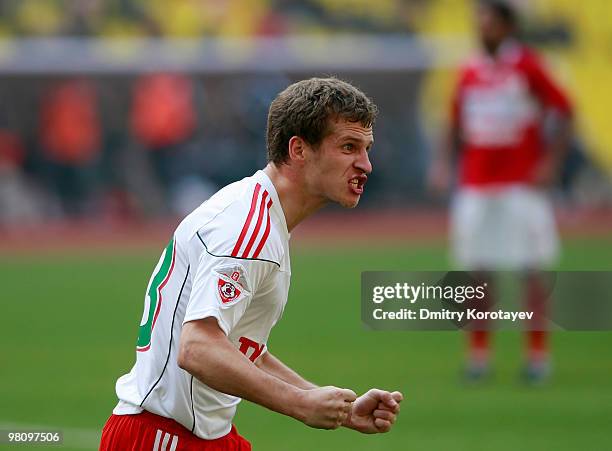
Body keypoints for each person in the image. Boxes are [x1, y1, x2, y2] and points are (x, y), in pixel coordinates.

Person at [100, 77, 403, 450]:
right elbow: (197, 348)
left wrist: (340, 408)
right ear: (298, 149)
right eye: (348, 147)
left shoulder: (258, 212)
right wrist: (298, 403)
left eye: (366, 148)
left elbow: (237, 346)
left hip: (201, 435)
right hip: (164, 436)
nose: (366, 165)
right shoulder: (250, 229)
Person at [428, 1, 573, 383]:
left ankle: (537, 356)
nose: (481, 30)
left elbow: (564, 110)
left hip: (520, 184)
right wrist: (445, 162)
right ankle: (479, 356)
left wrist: (550, 162)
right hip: (476, 184)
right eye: (479, 23)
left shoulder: (527, 65)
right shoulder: (470, 69)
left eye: (488, 23)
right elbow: (455, 120)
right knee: (478, 272)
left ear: (507, 26)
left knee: (531, 270)